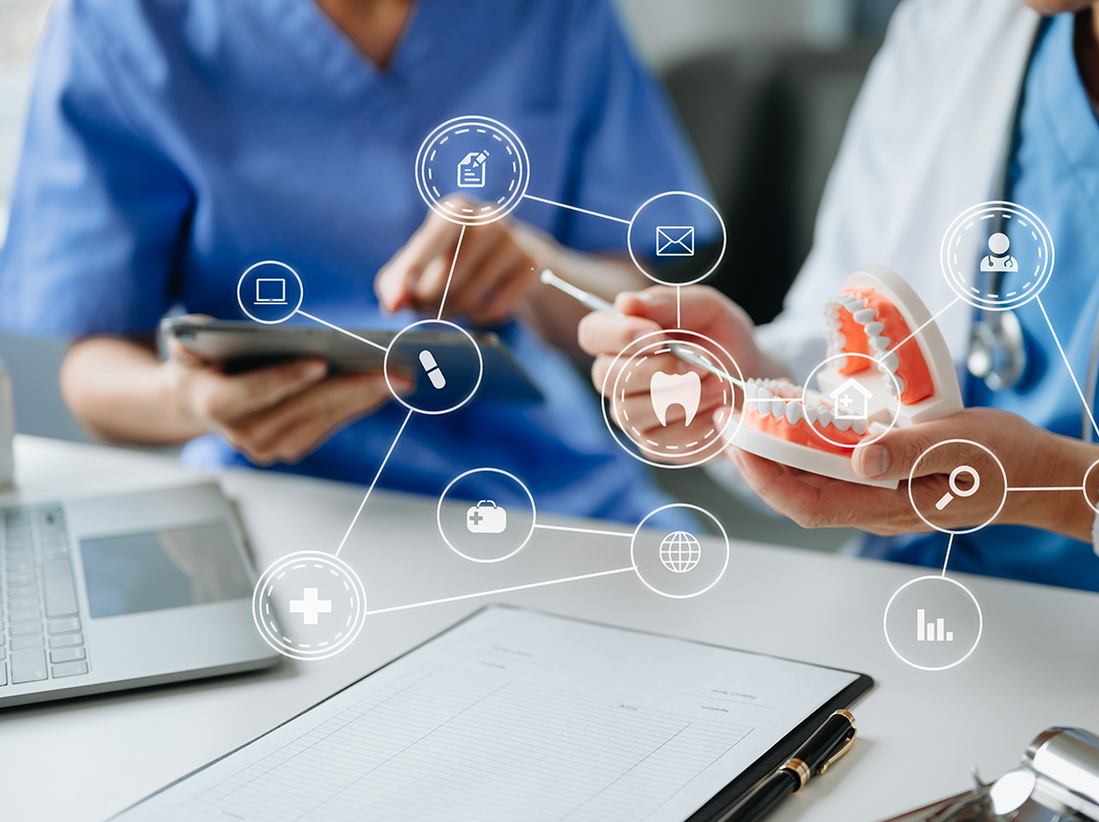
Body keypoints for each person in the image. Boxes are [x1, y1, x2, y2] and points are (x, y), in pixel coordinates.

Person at [581, 0, 1099, 630]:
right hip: (919, 611)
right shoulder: (950, 25)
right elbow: (848, 349)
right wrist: (751, 383)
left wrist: (1068, 489)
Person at [0, 0, 711, 524]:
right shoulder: (124, 25)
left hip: (550, 487)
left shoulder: (556, 17)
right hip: (284, 501)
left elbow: (638, 296)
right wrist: (190, 401)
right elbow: (93, 373)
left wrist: (537, 268)